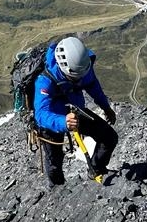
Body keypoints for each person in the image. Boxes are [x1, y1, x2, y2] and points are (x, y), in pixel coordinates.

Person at [33, 36, 118, 186]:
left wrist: (106, 107)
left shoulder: (83, 67)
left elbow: (93, 86)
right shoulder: (44, 80)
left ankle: (96, 170)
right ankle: (58, 189)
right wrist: (63, 122)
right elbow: (41, 114)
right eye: (74, 77)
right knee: (54, 162)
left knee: (109, 137)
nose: (79, 80)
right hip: (52, 120)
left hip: (75, 110)